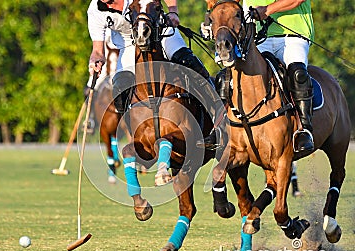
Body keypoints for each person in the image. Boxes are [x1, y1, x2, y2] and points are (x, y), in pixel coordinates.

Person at [199, 0, 315, 153]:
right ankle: (219, 129)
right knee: (225, 77)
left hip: (293, 34)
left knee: (297, 73)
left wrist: (267, 10)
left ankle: (304, 129)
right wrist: (213, 17)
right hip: (259, 36)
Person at [87, 0, 213, 115]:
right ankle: (135, 133)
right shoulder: (95, 11)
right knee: (120, 91)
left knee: (190, 63)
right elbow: (98, 51)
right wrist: (95, 61)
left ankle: (215, 113)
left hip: (161, 34)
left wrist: (173, 12)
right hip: (129, 46)